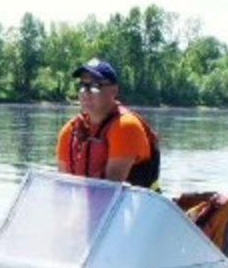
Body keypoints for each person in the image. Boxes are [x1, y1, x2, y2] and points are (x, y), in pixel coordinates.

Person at [55, 59, 161, 189]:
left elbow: (110, 191)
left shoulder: (126, 127)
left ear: (114, 91)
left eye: (94, 87)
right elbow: (62, 190)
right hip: (88, 206)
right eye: (82, 86)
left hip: (135, 207)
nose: (86, 93)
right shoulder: (69, 131)